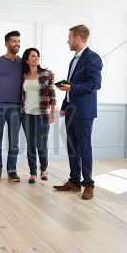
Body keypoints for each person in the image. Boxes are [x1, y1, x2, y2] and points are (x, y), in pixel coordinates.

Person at [53, 25, 103, 200]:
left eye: (69, 37)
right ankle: (74, 181)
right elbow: (72, 86)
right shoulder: (74, 59)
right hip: (72, 111)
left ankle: (88, 185)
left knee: (84, 147)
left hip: (84, 112)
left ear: (78, 39)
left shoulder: (93, 58)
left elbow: (95, 84)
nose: (67, 40)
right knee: (72, 147)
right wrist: (65, 104)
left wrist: (72, 87)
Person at [0, 31, 23, 182]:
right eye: (14, 41)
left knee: (14, 141)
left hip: (16, 106)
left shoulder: (23, 63)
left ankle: (12, 170)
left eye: (18, 41)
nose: (17, 44)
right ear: (6, 44)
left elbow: (34, 76)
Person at [20, 48, 56, 184]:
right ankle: (33, 173)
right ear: (27, 59)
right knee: (30, 144)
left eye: (37, 56)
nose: (36, 58)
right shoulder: (23, 75)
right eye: (33, 56)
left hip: (43, 114)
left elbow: (52, 95)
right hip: (27, 115)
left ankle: (44, 169)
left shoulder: (46, 74)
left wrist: (52, 113)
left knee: (41, 144)